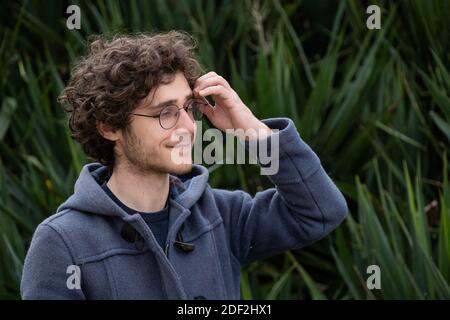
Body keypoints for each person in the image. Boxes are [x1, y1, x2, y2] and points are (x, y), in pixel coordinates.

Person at [20, 30, 348, 299]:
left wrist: (256, 133)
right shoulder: (62, 243)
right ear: (110, 126)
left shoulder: (222, 214)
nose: (189, 127)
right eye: (165, 112)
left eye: (188, 108)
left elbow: (320, 211)